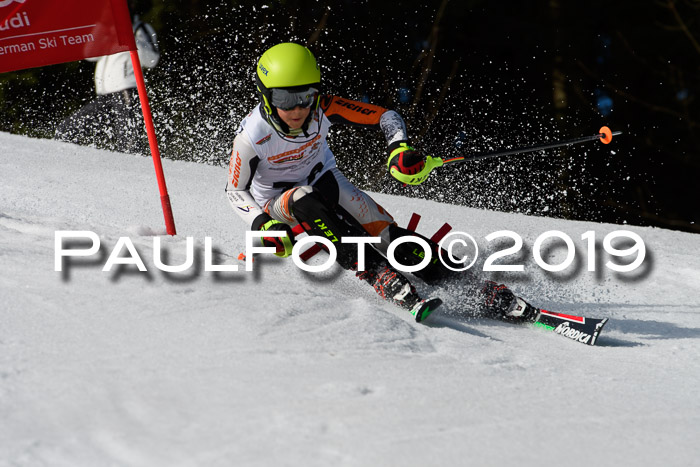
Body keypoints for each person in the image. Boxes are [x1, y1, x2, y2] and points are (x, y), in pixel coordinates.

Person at [226, 42, 535, 323]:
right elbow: (235, 190)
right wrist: (262, 224)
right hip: (280, 201)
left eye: (306, 95)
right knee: (306, 197)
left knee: (388, 235)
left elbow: (386, 116)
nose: (297, 109)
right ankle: (374, 272)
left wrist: (398, 149)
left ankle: (474, 287)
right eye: (284, 98)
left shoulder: (323, 108)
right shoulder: (252, 136)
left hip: (325, 178)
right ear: (265, 96)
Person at [54, 16, 160, 154]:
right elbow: (89, 54)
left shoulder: (141, 28)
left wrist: (129, 35)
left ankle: (133, 172)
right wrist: (102, 29)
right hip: (104, 94)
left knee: (129, 143)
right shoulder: (107, 28)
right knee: (67, 130)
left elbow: (152, 60)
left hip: (126, 91)